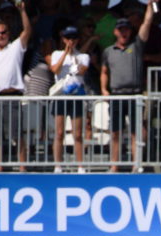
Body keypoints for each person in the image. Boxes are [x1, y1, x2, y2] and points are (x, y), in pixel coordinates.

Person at [101, 0, 156, 173]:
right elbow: (104, 71)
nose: (123, 33)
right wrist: (104, 90)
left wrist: (150, 7)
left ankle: (135, 164)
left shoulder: (137, 46)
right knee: (115, 132)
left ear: (130, 31)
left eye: (126, 29)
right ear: (115, 31)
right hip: (117, 95)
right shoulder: (108, 51)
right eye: (121, 30)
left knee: (135, 132)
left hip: (134, 94)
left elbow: (146, 24)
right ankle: (114, 165)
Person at [0, 2, 32, 172]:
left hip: (13, 95)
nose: (0, 36)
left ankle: (22, 167)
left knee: (17, 134)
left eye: (3, 32)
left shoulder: (16, 47)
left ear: (8, 33)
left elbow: (27, 31)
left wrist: (22, 11)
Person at [50, 25, 89, 174]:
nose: (70, 41)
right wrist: (65, 53)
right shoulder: (56, 54)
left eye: (73, 38)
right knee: (59, 132)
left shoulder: (83, 56)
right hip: (60, 96)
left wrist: (73, 56)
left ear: (78, 40)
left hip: (76, 96)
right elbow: (55, 70)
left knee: (77, 134)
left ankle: (80, 166)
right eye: (67, 38)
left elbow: (81, 71)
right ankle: (58, 166)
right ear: (63, 39)